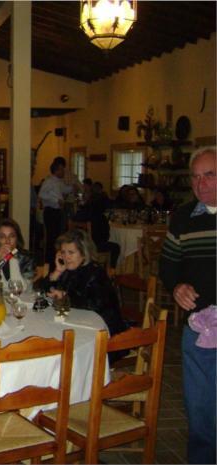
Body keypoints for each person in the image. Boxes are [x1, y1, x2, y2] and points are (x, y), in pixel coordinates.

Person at [159, 147, 216, 464]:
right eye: (195, 177)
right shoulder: (182, 218)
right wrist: (176, 286)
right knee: (200, 410)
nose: (201, 183)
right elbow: (168, 267)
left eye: (209, 175)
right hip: (200, 326)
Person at [38, 229, 127, 359]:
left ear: (84, 254)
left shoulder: (96, 273)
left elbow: (94, 304)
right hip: (77, 323)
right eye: (63, 252)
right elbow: (43, 292)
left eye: (71, 252)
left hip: (105, 335)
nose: (66, 257)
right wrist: (57, 272)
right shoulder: (68, 269)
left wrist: (65, 297)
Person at [0, 219, 35, 289]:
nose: (7, 241)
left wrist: (12, 259)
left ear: (17, 238)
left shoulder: (27, 257)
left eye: (12, 236)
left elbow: (21, 289)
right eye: (2, 237)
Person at [38, 158, 74, 268]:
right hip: (50, 212)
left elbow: (65, 190)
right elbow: (41, 194)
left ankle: (56, 261)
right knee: (51, 238)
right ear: (57, 170)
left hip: (57, 212)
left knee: (58, 238)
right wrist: (56, 200)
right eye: (62, 169)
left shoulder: (59, 182)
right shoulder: (49, 181)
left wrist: (73, 185)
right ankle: (49, 263)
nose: (63, 172)